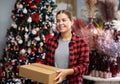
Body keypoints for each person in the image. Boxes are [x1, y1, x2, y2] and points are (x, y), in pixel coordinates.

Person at [44, 10, 89, 84]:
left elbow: (84, 67)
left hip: (72, 81)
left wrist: (67, 72)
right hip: (53, 81)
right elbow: (46, 62)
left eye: (64, 20)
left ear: (72, 22)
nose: (60, 23)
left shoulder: (81, 43)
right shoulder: (51, 41)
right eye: (58, 21)